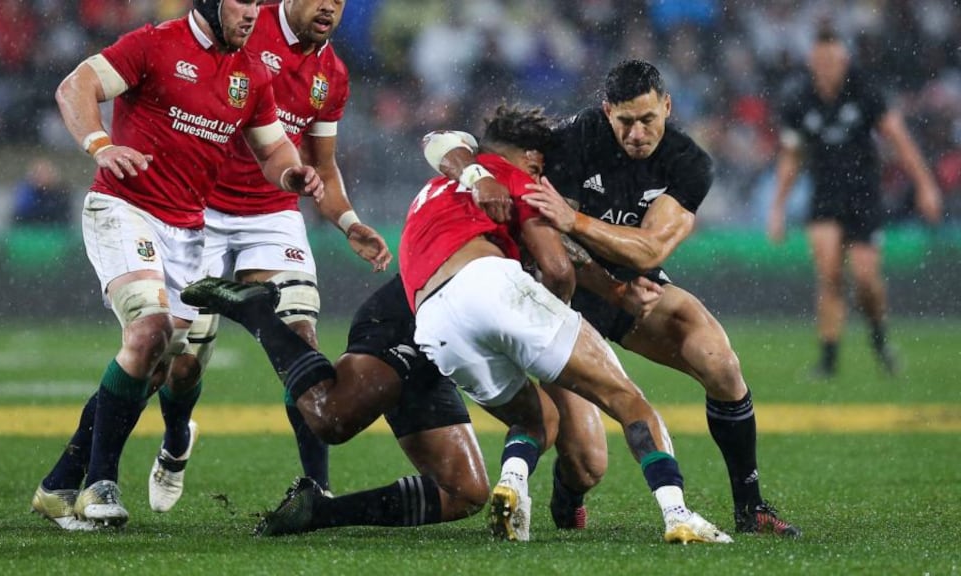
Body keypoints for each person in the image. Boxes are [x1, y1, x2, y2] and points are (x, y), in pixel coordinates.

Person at [273, 103, 728, 543]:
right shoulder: (517, 179)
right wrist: (563, 314)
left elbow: (438, 146)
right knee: (628, 401)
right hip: (493, 289)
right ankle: (678, 514)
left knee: (537, 421)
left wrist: (608, 291)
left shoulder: (432, 191)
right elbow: (557, 268)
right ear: (531, 159)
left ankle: (513, 484)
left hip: (434, 321)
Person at [426, 59, 801, 537]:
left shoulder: (688, 164)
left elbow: (652, 247)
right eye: (625, 121)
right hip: (562, 295)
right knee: (587, 462)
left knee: (721, 362)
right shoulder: (575, 138)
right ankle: (569, 494)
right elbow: (445, 145)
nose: (638, 133)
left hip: (630, 290)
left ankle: (751, 508)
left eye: (648, 119)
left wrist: (575, 221)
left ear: (667, 106)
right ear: (607, 112)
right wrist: (476, 175)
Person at [29, 0, 323, 531]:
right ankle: (99, 484)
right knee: (150, 331)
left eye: (259, 2)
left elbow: (274, 147)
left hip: (188, 231)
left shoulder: (251, 72)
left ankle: (57, 484)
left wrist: (292, 177)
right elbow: (75, 86)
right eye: (242, 1)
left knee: (162, 365)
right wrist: (100, 145)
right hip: (124, 209)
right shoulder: (154, 43)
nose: (253, 12)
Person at [146, 0, 392, 515]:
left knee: (298, 340)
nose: (330, 7)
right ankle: (174, 441)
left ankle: (315, 489)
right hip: (203, 208)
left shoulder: (332, 73)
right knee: (184, 365)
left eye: (340, 1)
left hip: (272, 214)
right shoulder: (243, 30)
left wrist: (349, 223)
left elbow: (321, 166)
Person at [181, 273, 489, 536]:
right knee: (332, 418)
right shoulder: (508, 220)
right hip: (413, 317)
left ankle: (319, 511)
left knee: (465, 493)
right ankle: (256, 312)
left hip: (441, 344)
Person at [767, 27, 942, 379]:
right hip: (824, 195)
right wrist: (778, 207)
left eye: (833, 59)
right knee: (829, 273)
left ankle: (879, 339)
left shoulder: (864, 90)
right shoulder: (799, 99)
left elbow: (899, 139)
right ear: (811, 61)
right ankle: (828, 361)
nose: (827, 66)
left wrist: (926, 185)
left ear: (845, 60)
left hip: (864, 194)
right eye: (821, 60)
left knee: (865, 278)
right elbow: (791, 158)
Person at [10, 158, 73, 227]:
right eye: (39, 173)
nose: (43, 177)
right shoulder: (26, 192)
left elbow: (64, 216)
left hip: (54, 230)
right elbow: (22, 213)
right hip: (30, 229)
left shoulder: (60, 193)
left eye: (46, 173)